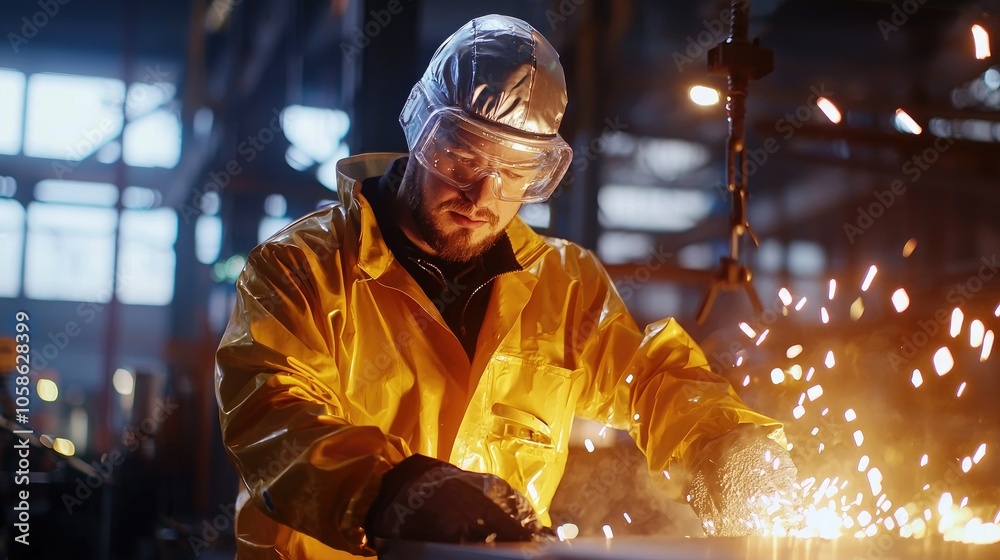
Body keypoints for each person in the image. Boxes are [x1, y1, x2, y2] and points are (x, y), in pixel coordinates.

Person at [215, 14, 799, 560]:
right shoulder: (299, 270)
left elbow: (648, 377)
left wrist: (723, 444)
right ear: (421, 130)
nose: (482, 196)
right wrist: (396, 489)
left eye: (516, 172)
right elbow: (275, 420)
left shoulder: (565, 287)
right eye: (463, 158)